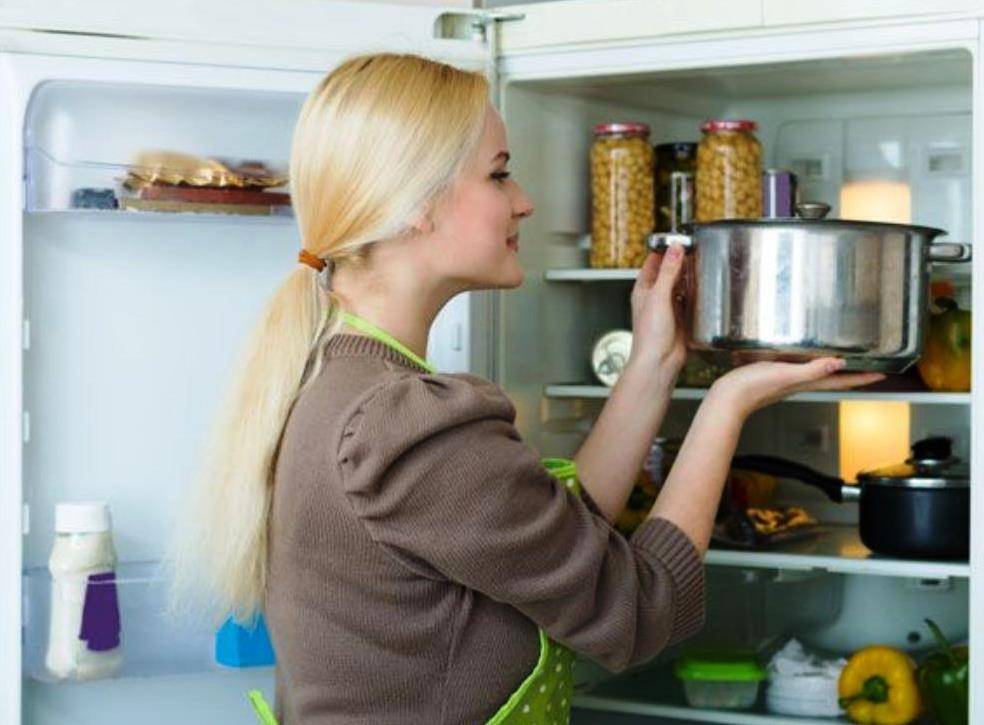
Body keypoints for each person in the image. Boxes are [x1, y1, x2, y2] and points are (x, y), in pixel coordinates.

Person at [170, 53, 882, 724]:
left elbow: (551, 538)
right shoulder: (402, 421)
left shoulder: (334, 376)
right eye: (500, 175)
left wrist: (654, 362)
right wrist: (726, 404)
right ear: (416, 202)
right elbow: (637, 610)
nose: (525, 202)